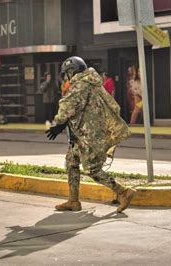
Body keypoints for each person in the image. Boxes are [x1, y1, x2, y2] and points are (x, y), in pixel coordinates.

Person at [46, 56, 136, 213]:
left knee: (92, 169)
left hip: (89, 135)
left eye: (66, 73)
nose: (66, 77)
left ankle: (123, 192)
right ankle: (73, 201)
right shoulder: (92, 83)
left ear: (71, 72)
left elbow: (69, 105)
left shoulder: (81, 84)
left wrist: (58, 122)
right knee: (71, 162)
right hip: (84, 133)